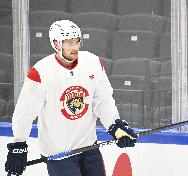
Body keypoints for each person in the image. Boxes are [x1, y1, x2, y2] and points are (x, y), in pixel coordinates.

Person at [5, 20, 138, 176]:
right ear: (56, 44)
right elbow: (24, 113)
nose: (75, 47)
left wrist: (115, 126)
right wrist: (19, 143)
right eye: (69, 42)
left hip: (89, 148)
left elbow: (103, 100)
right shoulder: (41, 72)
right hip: (59, 154)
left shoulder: (93, 63)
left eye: (77, 41)